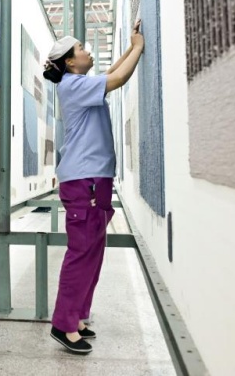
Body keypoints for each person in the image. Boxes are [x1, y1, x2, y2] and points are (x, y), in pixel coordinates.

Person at [42, 19, 144, 355]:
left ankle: (79, 316)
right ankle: (63, 323)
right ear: (70, 61)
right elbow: (117, 78)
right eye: (82, 48)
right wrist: (140, 49)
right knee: (81, 252)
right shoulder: (71, 85)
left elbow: (112, 71)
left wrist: (131, 46)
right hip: (82, 179)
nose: (88, 52)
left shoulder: (81, 82)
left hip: (94, 179)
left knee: (93, 254)